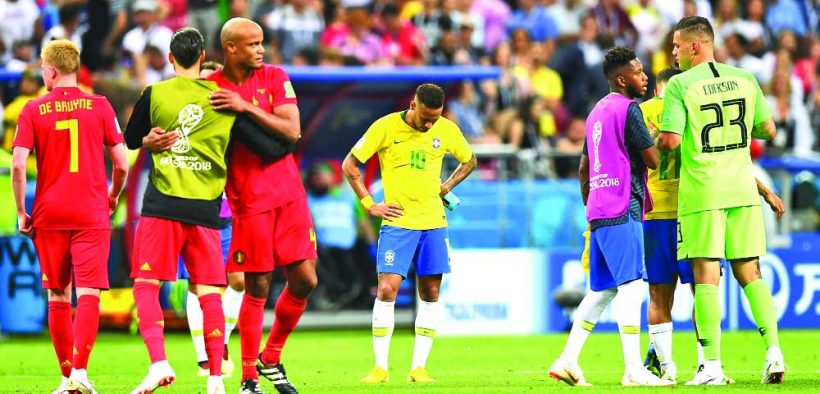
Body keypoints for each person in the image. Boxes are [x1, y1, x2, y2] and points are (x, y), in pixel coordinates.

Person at [125, 27, 293, 394]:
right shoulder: (224, 100)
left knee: (146, 285)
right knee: (209, 292)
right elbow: (273, 148)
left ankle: (159, 364)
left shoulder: (154, 93)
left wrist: (149, 140)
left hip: (162, 204)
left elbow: (130, 138)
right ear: (203, 58)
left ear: (171, 58)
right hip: (207, 210)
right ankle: (216, 376)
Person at [657, 16, 785, 385]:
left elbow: (670, 141)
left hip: (704, 191)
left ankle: (711, 366)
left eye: (677, 46)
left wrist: (655, 145)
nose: (674, 53)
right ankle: (774, 354)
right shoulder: (745, 78)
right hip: (742, 189)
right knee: (751, 274)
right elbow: (768, 129)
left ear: (695, 45)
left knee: (706, 277)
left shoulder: (680, 84)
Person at [548, 47, 672, 387]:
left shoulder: (595, 113)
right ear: (621, 79)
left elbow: (583, 168)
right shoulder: (629, 109)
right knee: (631, 286)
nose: (644, 76)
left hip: (599, 208)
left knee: (602, 291)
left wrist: (591, 207)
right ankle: (633, 369)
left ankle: (567, 359)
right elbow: (652, 160)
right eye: (638, 72)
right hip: (623, 204)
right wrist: (666, 135)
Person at [11, 39, 129, 394]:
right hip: (91, 211)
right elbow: (121, 164)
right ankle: (80, 372)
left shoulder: (33, 109)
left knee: (58, 296)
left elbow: (18, 166)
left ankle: (66, 379)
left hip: (49, 213)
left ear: (50, 71)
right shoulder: (100, 105)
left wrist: (21, 212)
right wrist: (113, 194)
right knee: (89, 292)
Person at [207, 17, 318, 394]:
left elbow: (292, 130)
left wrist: (244, 107)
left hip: (289, 195)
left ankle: (271, 357)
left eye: (261, 42)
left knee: (306, 280)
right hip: (249, 200)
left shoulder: (274, 76)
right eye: (252, 44)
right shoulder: (212, 88)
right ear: (231, 48)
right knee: (257, 286)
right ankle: (249, 378)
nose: (260, 49)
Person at [342, 83, 477, 384]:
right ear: (413, 105)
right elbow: (349, 164)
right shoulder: (385, 127)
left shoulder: (446, 129)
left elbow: (470, 160)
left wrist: (446, 187)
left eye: (435, 119)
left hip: (433, 222)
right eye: (426, 118)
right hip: (398, 222)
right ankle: (380, 368)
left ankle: (419, 369)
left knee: (430, 292)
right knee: (387, 289)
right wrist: (369, 204)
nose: (429, 125)